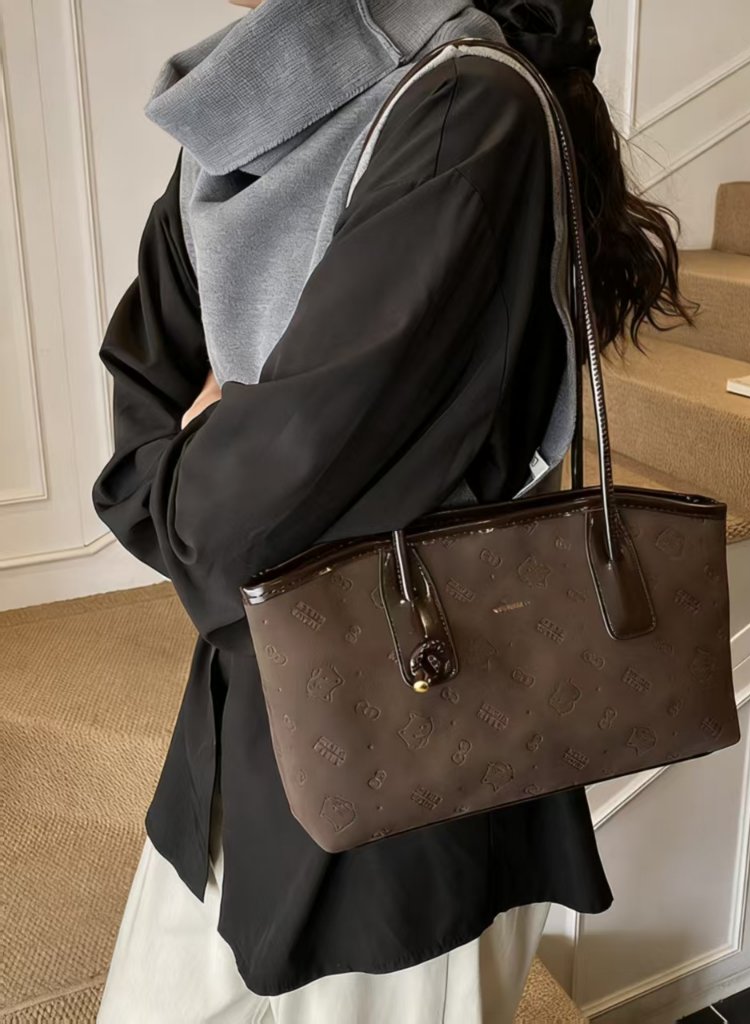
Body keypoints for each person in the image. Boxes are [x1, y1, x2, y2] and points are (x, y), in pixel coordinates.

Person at [91, 0, 693, 1020]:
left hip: (421, 747)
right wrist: (217, 458)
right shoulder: (226, 113)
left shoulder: (467, 108)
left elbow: (236, 514)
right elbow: (144, 417)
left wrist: (208, 448)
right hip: (242, 719)